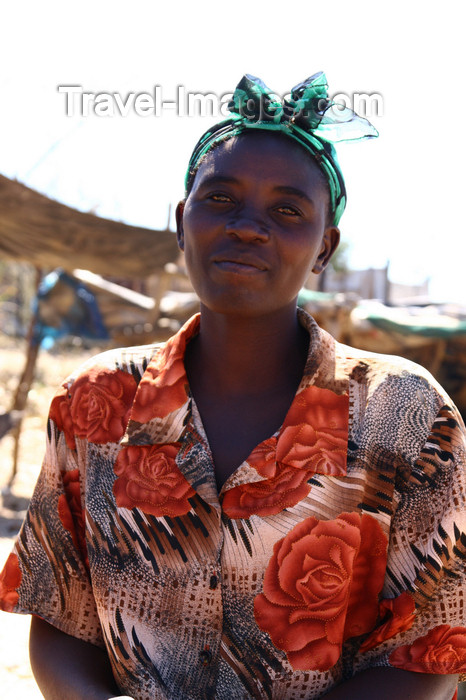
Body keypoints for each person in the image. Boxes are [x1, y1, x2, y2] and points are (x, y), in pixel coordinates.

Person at [0, 73, 465, 700]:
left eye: (287, 209)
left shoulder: (406, 415)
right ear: (181, 221)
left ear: (324, 248)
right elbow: (59, 618)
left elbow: (429, 656)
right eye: (220, 199)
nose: (249, 226)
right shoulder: (96, 403)